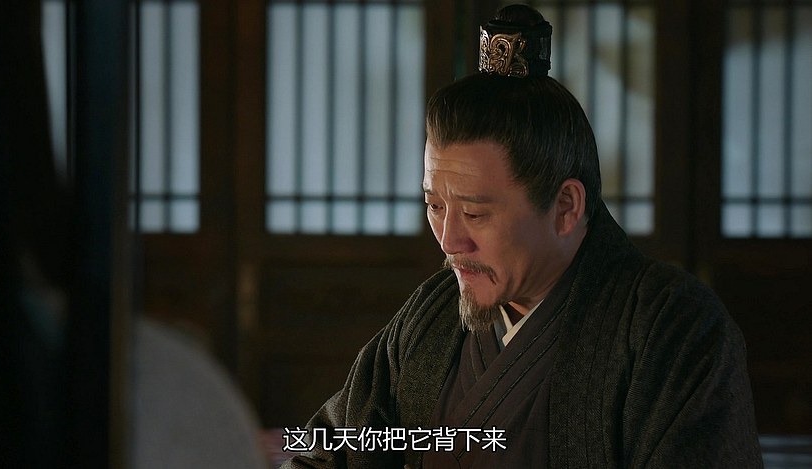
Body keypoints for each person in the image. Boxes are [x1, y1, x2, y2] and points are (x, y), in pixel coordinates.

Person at [281, 4, 762, 468]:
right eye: (435, 206)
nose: (449, 241)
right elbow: (329, 450)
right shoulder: (431, 317)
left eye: (475, 213)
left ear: (566, 207)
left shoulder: (671, 330)